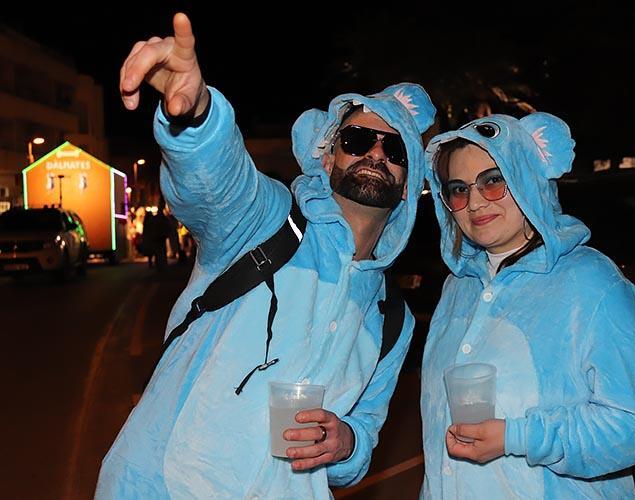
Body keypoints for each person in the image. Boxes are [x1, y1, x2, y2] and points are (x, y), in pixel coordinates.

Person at [95, 12, 435, 499]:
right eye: (358, 140)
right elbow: (218, 182)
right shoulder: (269, 222)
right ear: (327, 156)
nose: (376, 154)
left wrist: (346, 442)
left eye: (396, 150)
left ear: (407, 185)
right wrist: (198, 118)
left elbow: (361, 442)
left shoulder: (393, 319)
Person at [419, 113, 635, 498]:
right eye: (458, 189)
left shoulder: (590, 282)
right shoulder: (458, 287)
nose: (475, 202)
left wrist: (518, 437)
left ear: (529, 177)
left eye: (493, 180)